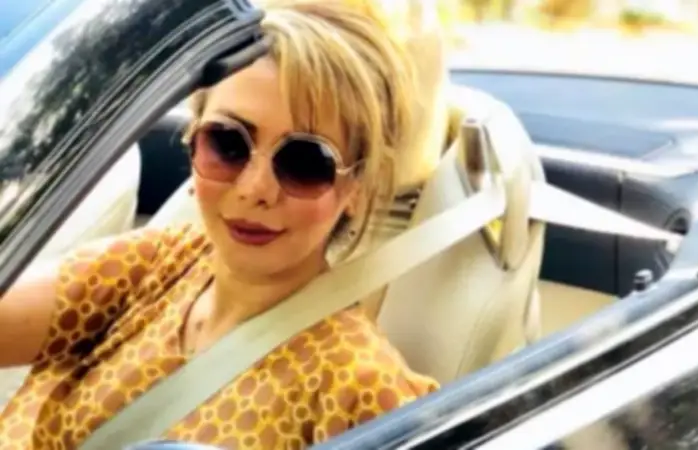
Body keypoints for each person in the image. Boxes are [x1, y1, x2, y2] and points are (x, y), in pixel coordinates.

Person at [0, 0, 440, 448]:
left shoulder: (359, 391)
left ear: (357, 188)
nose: (255, 189)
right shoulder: (158, 264)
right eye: (228, 143)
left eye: (305, 162)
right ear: (193, 140)